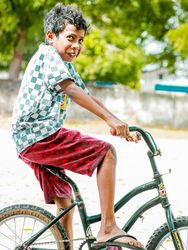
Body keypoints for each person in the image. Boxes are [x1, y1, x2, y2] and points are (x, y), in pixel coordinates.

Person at [11, 3, 144, 249]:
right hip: (39, 137)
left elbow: (86, 94)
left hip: (30, 140)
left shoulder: (64, 63)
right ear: (51, 36)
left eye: (81, 40)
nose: (77, 46)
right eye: (71, 38)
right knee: (106, 153)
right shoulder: (48, 56)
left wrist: (118, 122)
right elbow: (72, 91)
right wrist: (109, 120)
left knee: (65, 202)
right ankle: (107, 227)